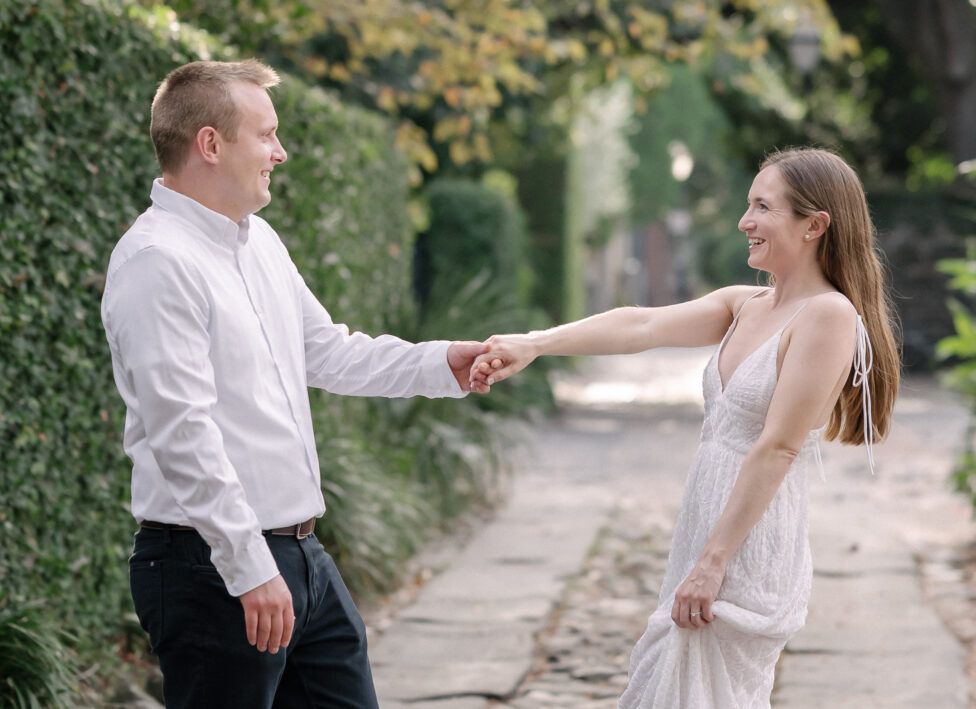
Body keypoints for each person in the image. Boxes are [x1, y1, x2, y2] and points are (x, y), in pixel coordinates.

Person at [100, 59, 491, 709]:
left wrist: (440, 362)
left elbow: (329, 351)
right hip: (212, 569)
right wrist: (248, 565)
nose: (279, 153)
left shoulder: (260, 243)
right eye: (266, 135)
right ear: (210, 143)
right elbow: (182, 432)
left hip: (304, 557)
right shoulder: (156, 260)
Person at [469, 147, 900, 708]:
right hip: (705, 526)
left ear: (814, 225)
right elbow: (639, 324)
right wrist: (535, 343)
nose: (745, 222)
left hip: (747, 541)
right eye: (749, 205)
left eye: (763, 207)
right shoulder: (745, 305)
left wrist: (713, 563)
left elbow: (778, 447)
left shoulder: (829, 316)